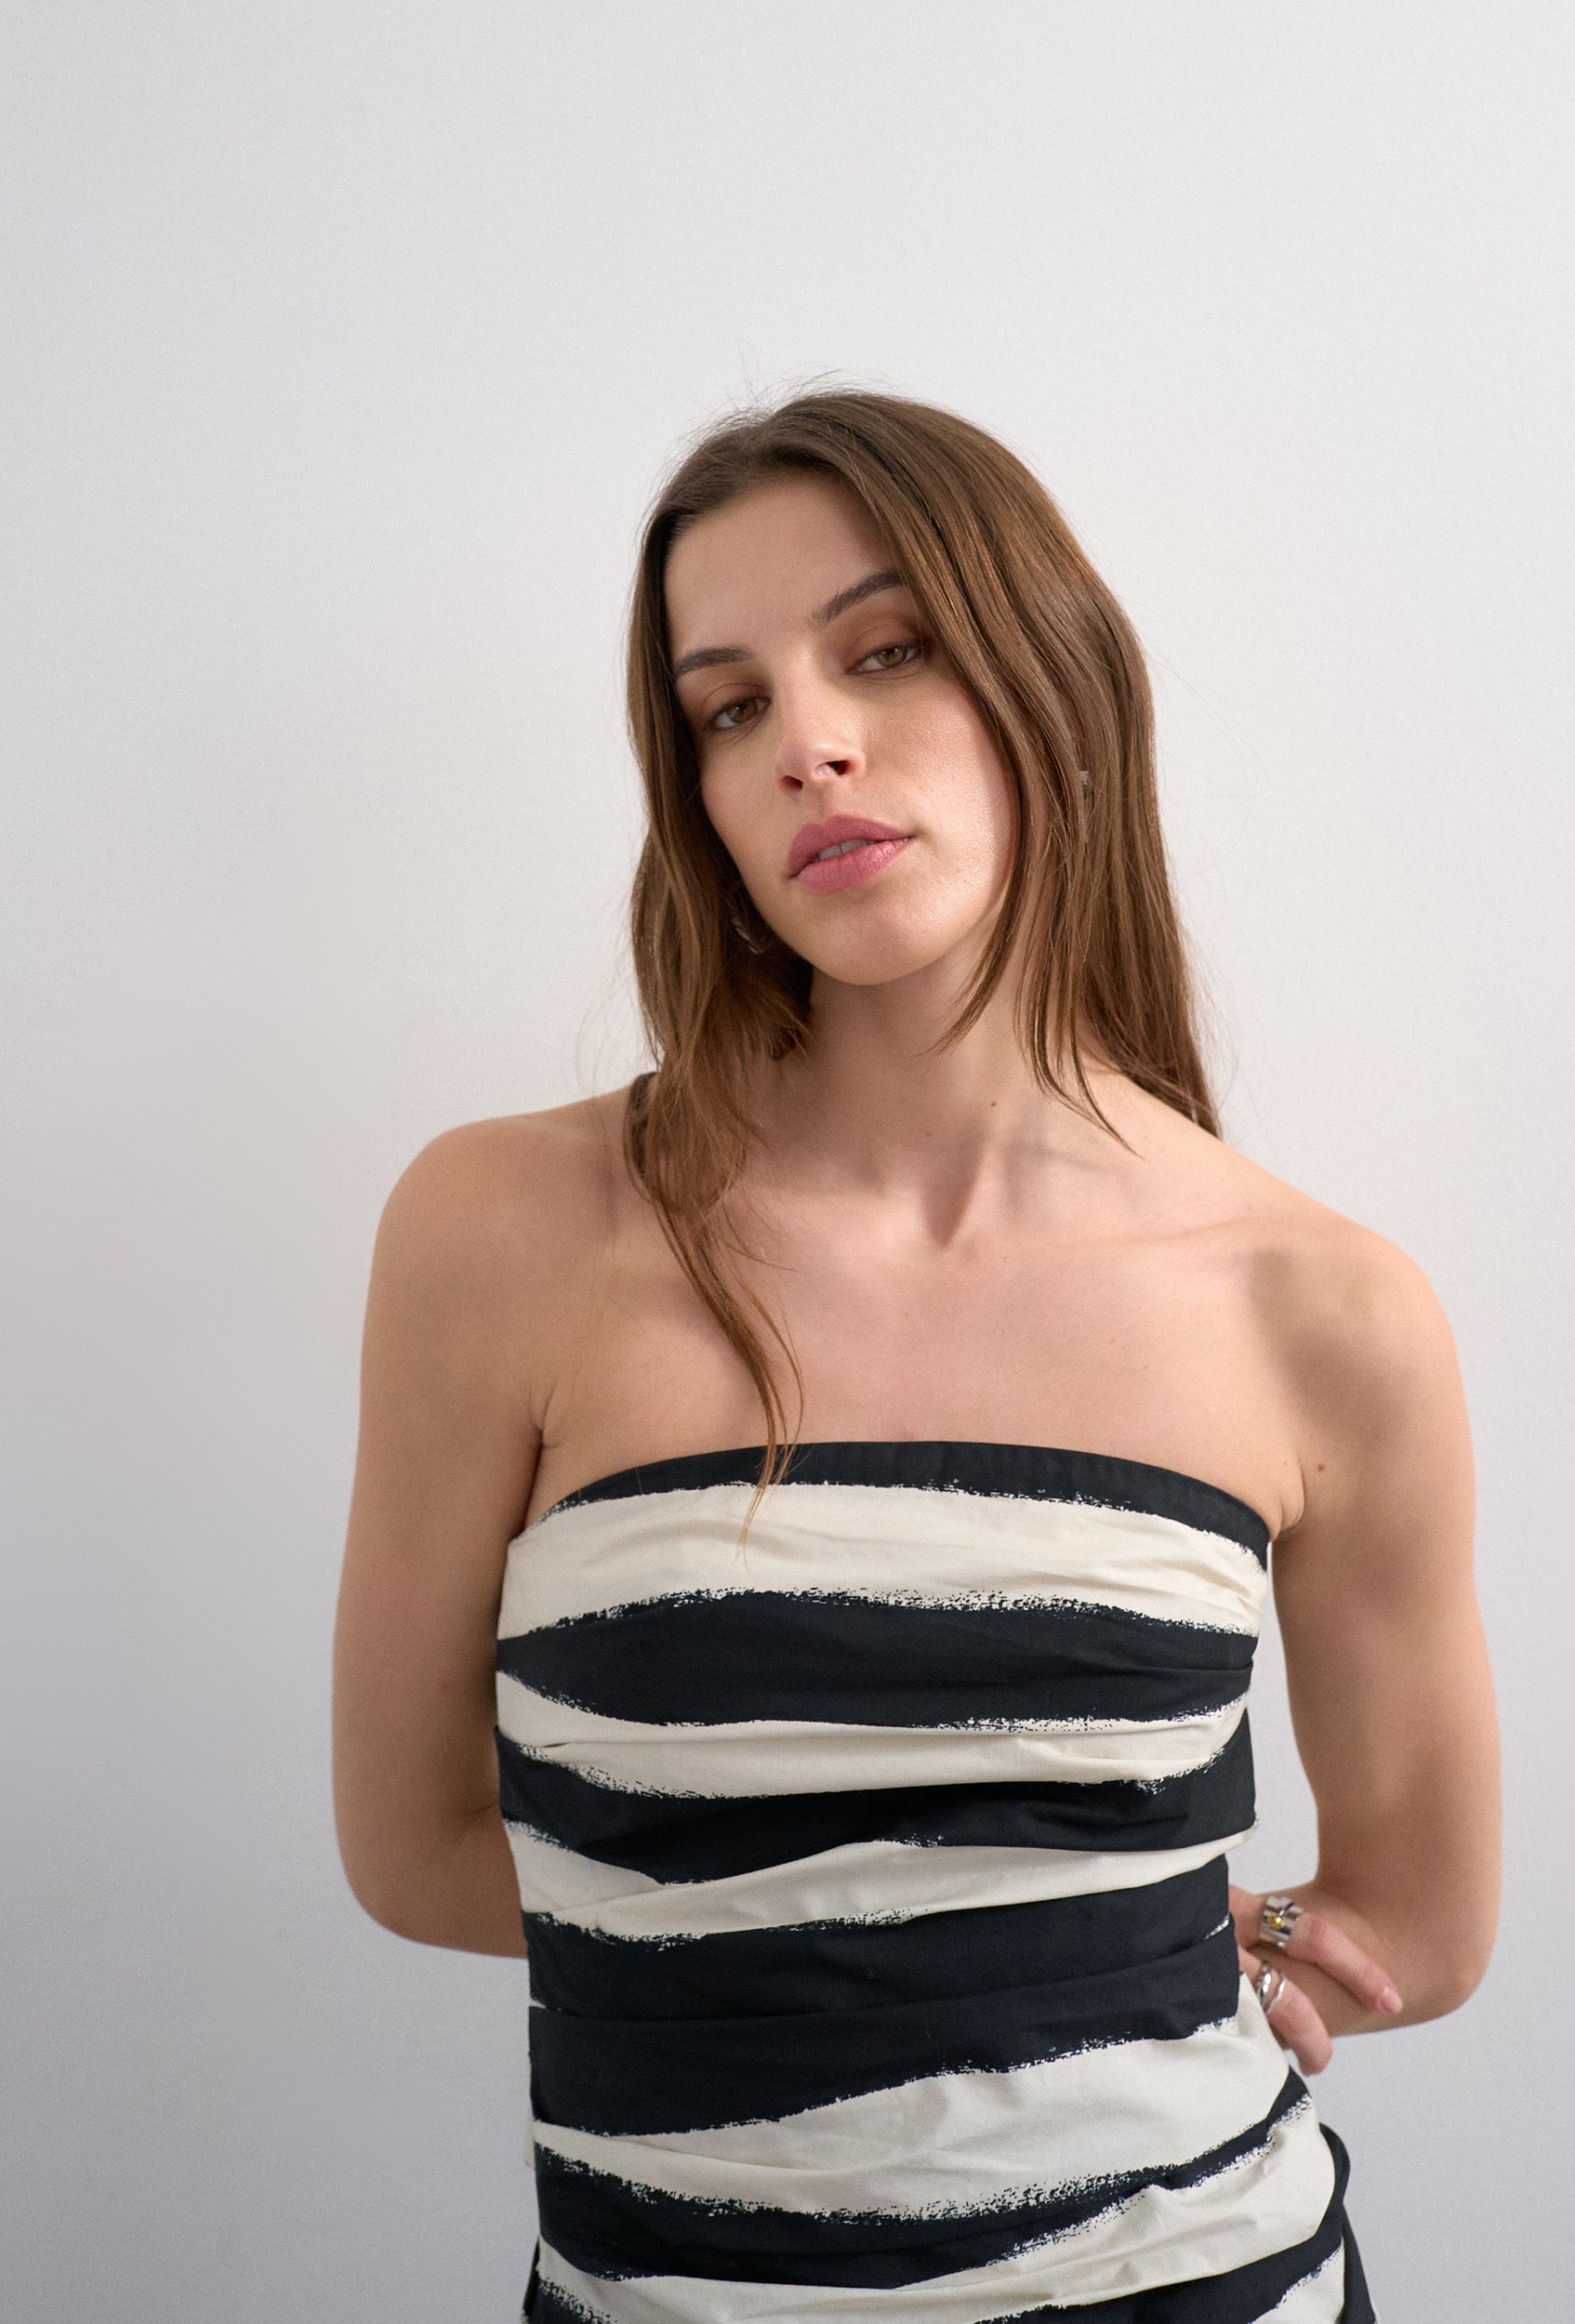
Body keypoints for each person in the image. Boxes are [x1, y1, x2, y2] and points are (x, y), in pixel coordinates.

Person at [333, 390, 1501, 2323]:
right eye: (728, 706)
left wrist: (1154, 1935)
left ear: (1058, 679)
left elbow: (1424, 1920)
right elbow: (414, 1844)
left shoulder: (1320, 1303)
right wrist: (969, 1939)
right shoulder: (503, 1231)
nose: (806, 739)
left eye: (883, 651)